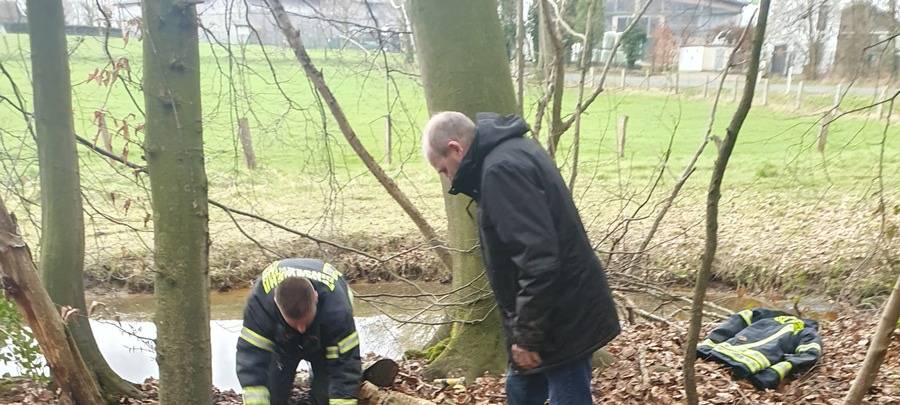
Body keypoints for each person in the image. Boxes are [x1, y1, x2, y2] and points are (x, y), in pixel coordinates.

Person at [421, 111, 620, 405]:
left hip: (560, 318)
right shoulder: (514, 150)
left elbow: (539, 259)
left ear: (455, 149)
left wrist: (527, 336)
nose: (449, 180)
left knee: (566, 393)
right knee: (521, 391)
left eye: (443, 169)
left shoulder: (501, 171)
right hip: (547, 312)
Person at [236, 258, 360, 405]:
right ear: (276, 303)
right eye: (295, 324)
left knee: (324, 396)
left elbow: (344, 366)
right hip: (282, 341)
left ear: (315, 297)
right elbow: (252, 358)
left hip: (325, 339)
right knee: (272, 395)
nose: (301, 329)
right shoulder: (260, 304)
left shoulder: (337, 309)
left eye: (305, 322)